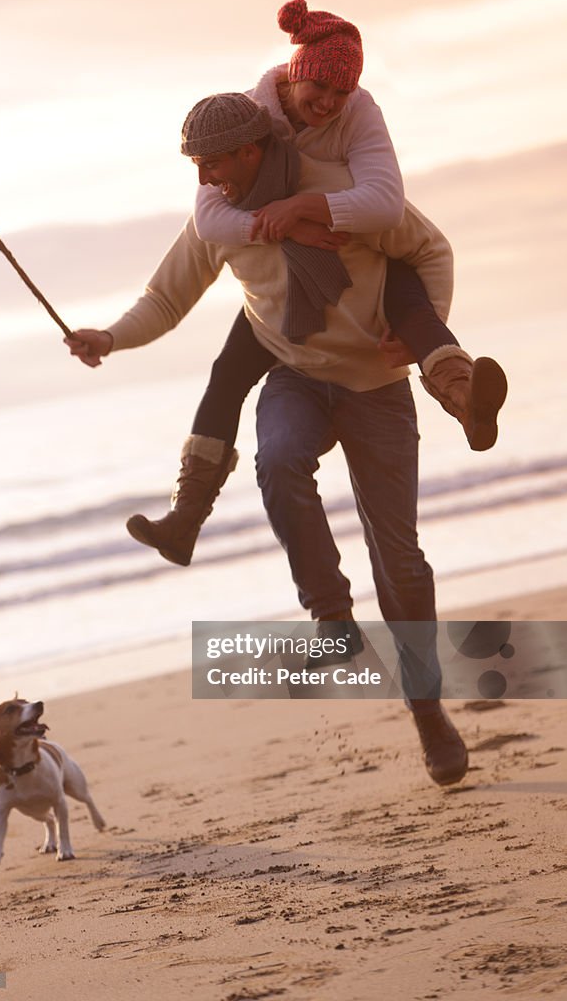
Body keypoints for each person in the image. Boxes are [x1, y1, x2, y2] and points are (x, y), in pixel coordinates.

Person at [66, 92, 469, 786]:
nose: (204, 180)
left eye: (214, 163)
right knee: (277, 461)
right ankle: (332, 621)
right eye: (195, 166)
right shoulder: (217, 220)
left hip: (375, 386)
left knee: (399, 563)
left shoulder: (344, 196)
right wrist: (108, 336)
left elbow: (429, 247)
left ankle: (427, 711)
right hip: (297, 376)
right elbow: (165, 300)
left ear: (253, 149)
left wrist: (425, 321)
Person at [121, 0, 507, 568]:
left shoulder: (349, 135)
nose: (327, 105)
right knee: (230, 377)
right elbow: (183, 263)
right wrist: (107, 338)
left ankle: (460, 392)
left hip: (360, 277)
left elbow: (393, 212)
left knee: (402, 292)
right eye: (316, 90)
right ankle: (187, 519)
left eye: (339, 93)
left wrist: (309, 207)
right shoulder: (244, 141)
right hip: (284, 320)